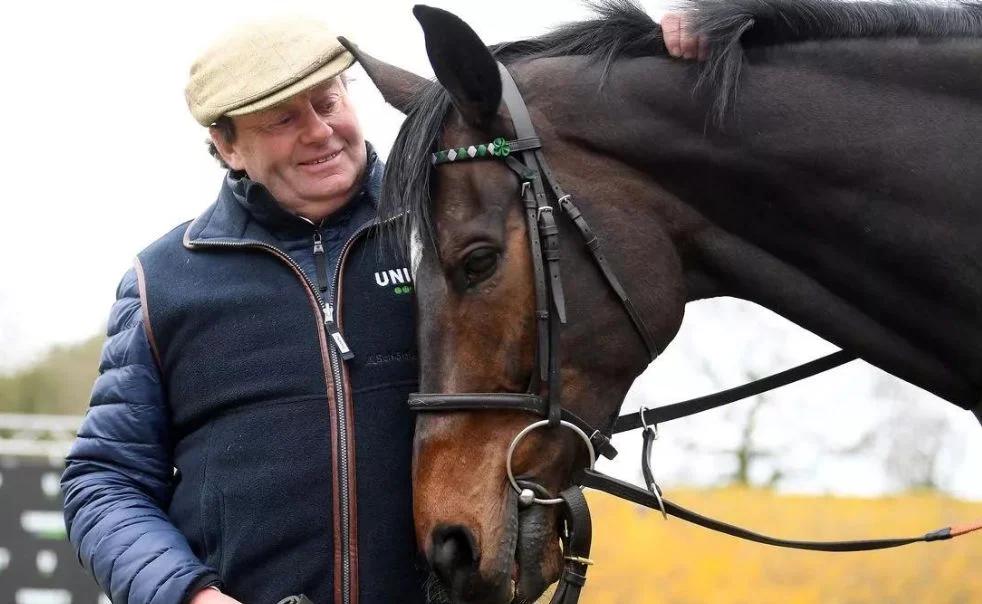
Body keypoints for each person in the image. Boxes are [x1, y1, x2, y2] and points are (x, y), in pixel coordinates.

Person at [61, 12, 702, 604]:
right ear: (226, 145)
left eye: (327, 100)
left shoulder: (448, 235)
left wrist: (685, 46)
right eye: (280, 119)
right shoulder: (163, 280)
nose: (318, 132)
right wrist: (187, 594)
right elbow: (103, 482)